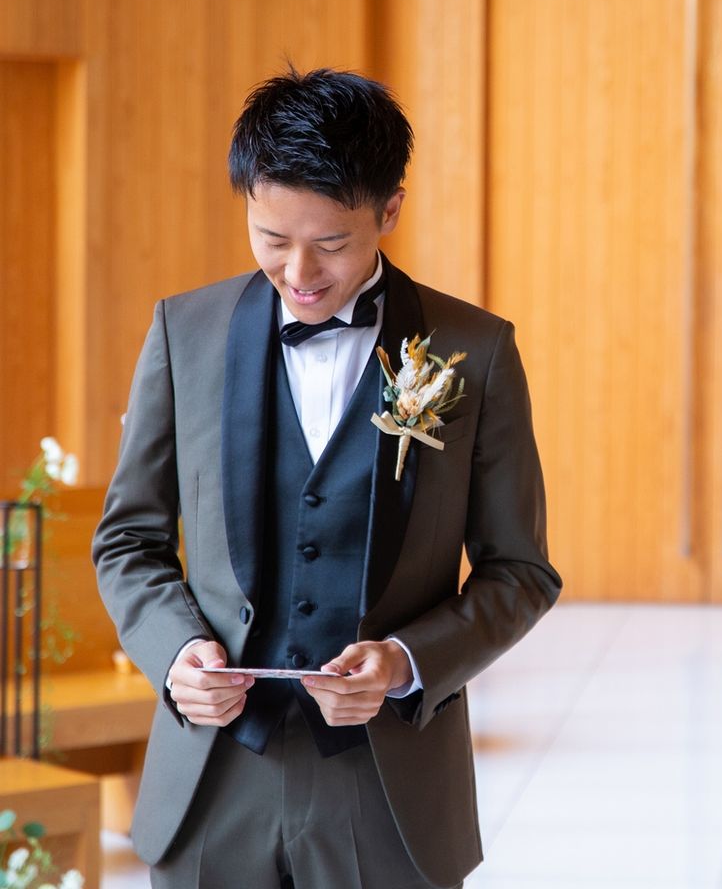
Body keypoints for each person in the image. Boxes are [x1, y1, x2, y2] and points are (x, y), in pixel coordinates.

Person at [92, 67, 562, 888]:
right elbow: (128, 540)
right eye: (271, 238)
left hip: (387, 789)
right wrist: (176, 653)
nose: (300, 272)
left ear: (390, 210)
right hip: (210, 781)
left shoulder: (474, 352)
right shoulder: (182, 333)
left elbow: (521, 572)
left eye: (333, 244)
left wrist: (405, 663)